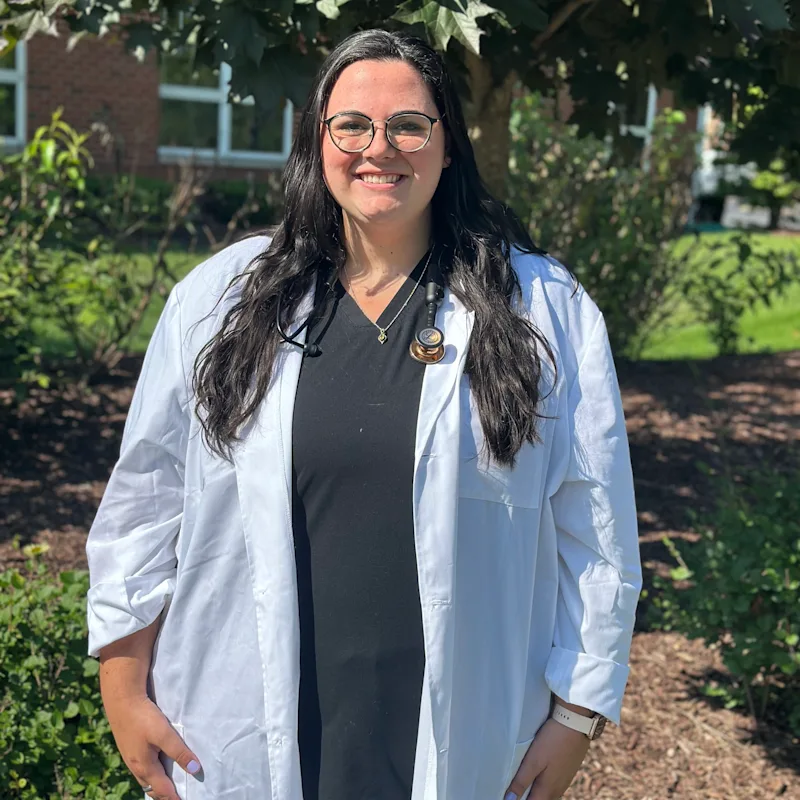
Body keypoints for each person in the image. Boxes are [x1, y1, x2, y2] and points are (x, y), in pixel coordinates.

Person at [86, 28, 642, 800]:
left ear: (449, 148)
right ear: (318, 141)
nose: (379, 147)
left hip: (464, 736)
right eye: (351, 124)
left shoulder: (544, 310)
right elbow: (143, 508)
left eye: (410, 124)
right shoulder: (217, 302)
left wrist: (578, 710)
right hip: (238, 727)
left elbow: (597, 529)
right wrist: (123, 682)